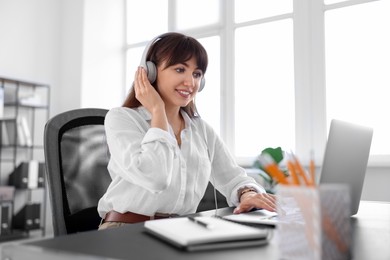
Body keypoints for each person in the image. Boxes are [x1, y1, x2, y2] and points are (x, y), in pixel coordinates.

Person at [97, 32, 276, 230]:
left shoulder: (201, 130)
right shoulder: (122, 119)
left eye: (197, 74)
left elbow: (234, 177)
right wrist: (157, 111)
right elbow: (155, 179)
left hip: (181, 230)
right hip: (124, 229)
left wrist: (248, 193)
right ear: (150, 73)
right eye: (180, 69)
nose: (190, 83)